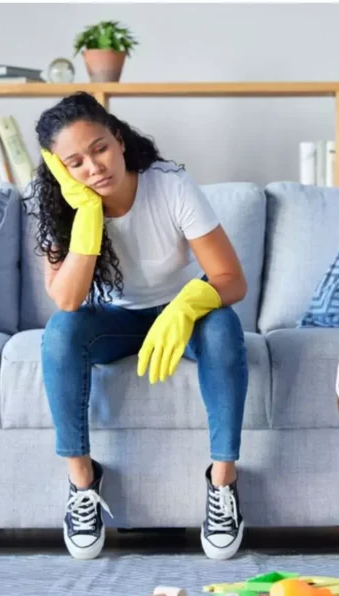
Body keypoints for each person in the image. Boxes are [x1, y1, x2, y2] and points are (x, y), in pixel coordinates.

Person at [26, 92, 249, 560]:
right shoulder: (61, 208)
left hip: (179, 314)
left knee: (224, 326)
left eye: (100, 148)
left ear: (120, 139)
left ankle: (223, 483)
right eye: (76, 163)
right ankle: (83, 483)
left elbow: (232, 279)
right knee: (60, 334)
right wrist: (87, 215)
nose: (94, 168)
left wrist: (188, 303)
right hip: (112, 320)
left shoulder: (168, 185)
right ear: (61, 173)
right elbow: (66, 300)